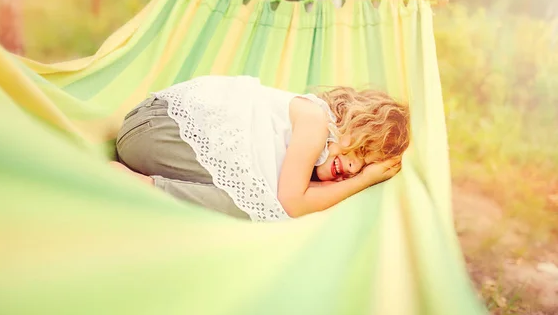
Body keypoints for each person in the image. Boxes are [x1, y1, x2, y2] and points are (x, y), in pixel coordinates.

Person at [111, 75, 410, 221]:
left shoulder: (300, 161)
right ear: (351, 120)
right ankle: (139, 185)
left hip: (150, 140)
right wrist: (365, 181)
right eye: (359, 151)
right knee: (257, 208)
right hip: (157, 127)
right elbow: (293, 204)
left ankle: (139, 184)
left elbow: (293, 201)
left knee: (260, 206)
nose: (354, 168)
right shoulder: (316, 120)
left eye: (364, 166)